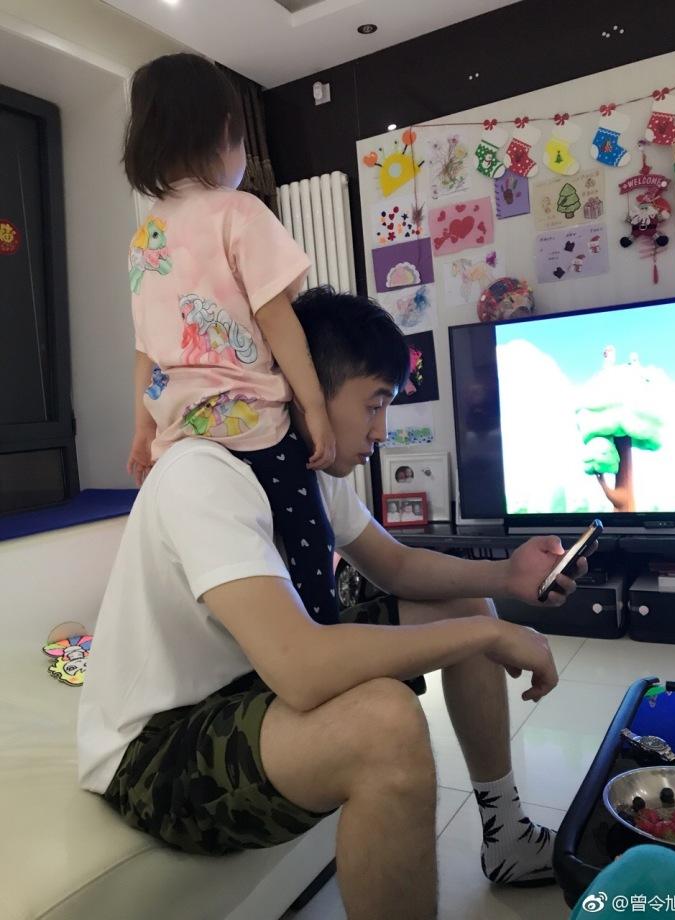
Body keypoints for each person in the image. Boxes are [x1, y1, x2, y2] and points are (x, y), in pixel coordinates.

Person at [78, 288, 590, 920]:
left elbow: (395, 565)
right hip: (157, 747)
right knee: (384, 725)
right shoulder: (204, 473)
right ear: (309, 392)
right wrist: (488, 636)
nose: (381, 431)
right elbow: (302, 669)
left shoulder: (304, 468)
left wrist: (507, 575)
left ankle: (506, 834)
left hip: (253, 680)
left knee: (461, 602)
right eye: (373, 405)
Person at [122, 52, 339, 625]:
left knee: (232, 559)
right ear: (226, 132)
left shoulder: (145, 238)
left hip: (180, 437)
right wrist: (313, 406)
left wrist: (143, 430)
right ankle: (321, 635)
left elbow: (147, 349)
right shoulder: (240, 212)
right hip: (253, 427)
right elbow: (278, 320)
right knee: (307, 540)